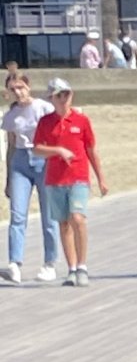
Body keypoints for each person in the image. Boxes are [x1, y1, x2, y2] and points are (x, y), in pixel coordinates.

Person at [33, 78, 106, 286]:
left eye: (67, 94)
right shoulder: (45, 122)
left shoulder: (81, 121)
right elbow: (37, 149)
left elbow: (91, 150)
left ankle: (82, 266)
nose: (64, 99)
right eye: (59, 95)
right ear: (51, 98)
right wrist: (57, 151)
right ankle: (72, 268)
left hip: (78, 177)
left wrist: (101, 178)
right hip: (55, 180)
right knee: (64, 223)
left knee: (78, 218)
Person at [2, 73, 61, 283]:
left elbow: (56, 134)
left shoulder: (43, 108)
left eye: (20, 87)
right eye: (13, 89)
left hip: (43, 159)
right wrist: (8, 179)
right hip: (20, 161)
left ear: (28, 86)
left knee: (49, 215)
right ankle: (14, 263)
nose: (18, 92)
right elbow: (11, 146)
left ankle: (50, 263)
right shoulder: (11, 116)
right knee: (17, 214)